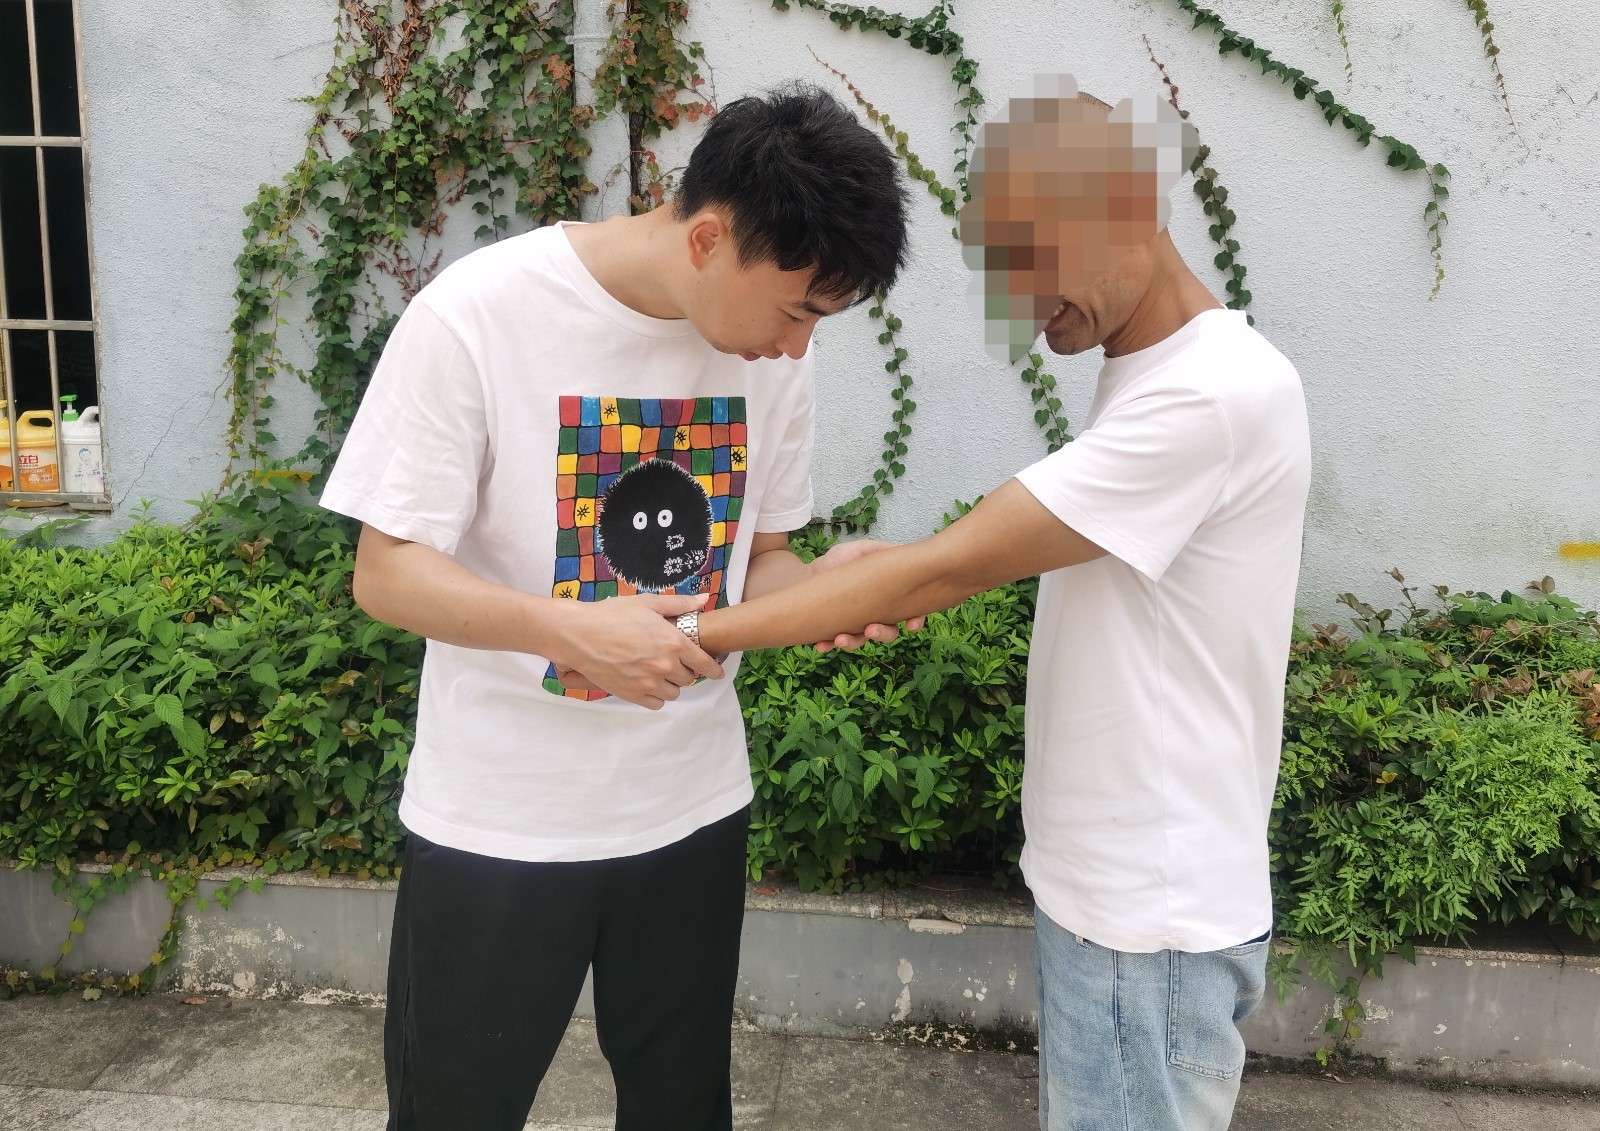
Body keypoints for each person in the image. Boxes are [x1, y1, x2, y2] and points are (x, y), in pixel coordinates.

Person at [658, 81, 1313, 1131]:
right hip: (1119, 908)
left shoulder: (1211, 395)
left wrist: (683, 633)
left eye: (1031, 259)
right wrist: (859, 575)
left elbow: (946, 570)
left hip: (1147, 919)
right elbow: (961, 561)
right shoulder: (1159, 376)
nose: (1019, 301)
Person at [319, 83, 911, 1131]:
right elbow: (388, 571)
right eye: (795, 311)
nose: (797, 347)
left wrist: (828, 590)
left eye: (821, 321)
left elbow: (761, 561)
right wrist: (567, 629)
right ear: (709, 239)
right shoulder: (478, 315)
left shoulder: (774, 361)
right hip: (501, 818)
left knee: (682, 1108)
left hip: (690, 806)